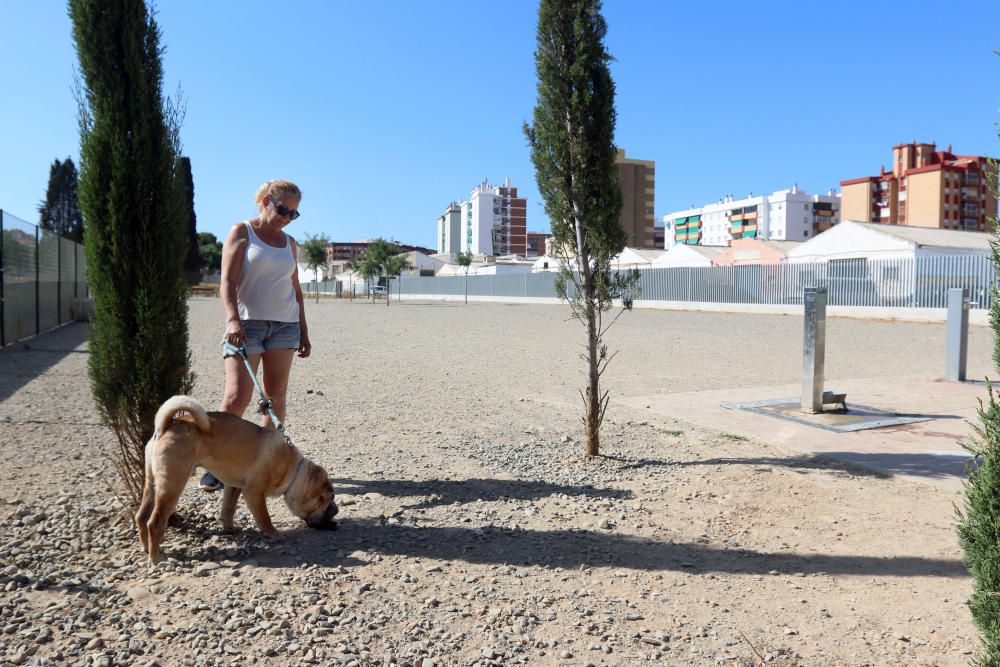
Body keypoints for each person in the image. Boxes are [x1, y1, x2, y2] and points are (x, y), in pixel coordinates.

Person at [200, 179, 312, 491]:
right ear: (265, 201)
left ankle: (268, 460)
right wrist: (232, 320)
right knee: (238, 397)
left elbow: (295, 288)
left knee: (275, 398)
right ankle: (214, 463)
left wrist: (303, 330)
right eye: (282, 209)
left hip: (284, 326)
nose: (286, 217)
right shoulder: (241, 232)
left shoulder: (289, 243)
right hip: (246, 326)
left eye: (294, 214)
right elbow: (228, 283)